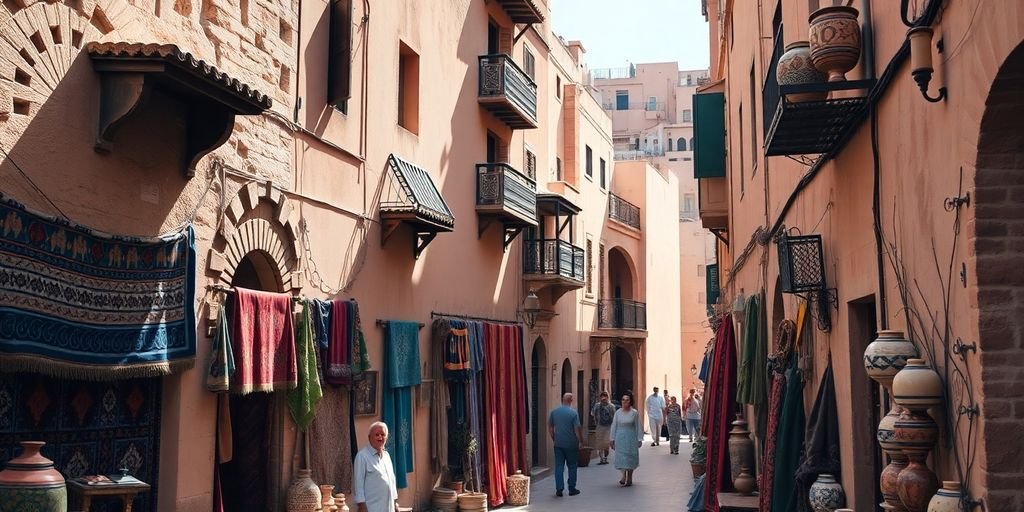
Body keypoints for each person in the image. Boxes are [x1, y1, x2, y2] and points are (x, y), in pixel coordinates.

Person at [353, 421, 399, 512]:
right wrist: (362, 506)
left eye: (383, 434)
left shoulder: (386, 456)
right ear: (369, 437)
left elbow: (392, 481)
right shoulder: (362, 456)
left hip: (389, 508)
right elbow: (358, 485)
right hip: (372, 508)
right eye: (377, 435)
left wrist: (395, 503)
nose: (380, 437)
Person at [548, 392, 583, 497]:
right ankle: (572, 488)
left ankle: (559, 489)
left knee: (559, 466)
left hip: (558, 443)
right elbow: (577, 429)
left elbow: (550, 428)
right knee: (572, 466)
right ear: (571, 400)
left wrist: (554, 438)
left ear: (562, 399)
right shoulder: (573, 413)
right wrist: (580, 441)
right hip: (571, 443)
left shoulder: (554, 412)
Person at [610, 392, 643, 487]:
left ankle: (630, 477)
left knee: (630, 457)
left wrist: (639, 438)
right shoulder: (618, 413)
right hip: (620, 437)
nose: (625, 402)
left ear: (630, 401)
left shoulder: (634, 413)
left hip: (631, 437)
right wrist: (612, 439)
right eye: (623, 399)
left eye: (627, 400)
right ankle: (623, 476)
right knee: (622, 457)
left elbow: (638, 426)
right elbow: (614, 426)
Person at [590, 391, 617, 465]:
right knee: (599, 443)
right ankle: (601, 459)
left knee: (606, 443)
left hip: (609, 427)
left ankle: (605, 458)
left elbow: (615, 417)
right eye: (602, 397)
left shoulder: (611, 406)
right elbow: (592, 413)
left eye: (605, 397)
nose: (604, 399)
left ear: (608, 398)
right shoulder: (597, 405)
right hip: (599, 426)